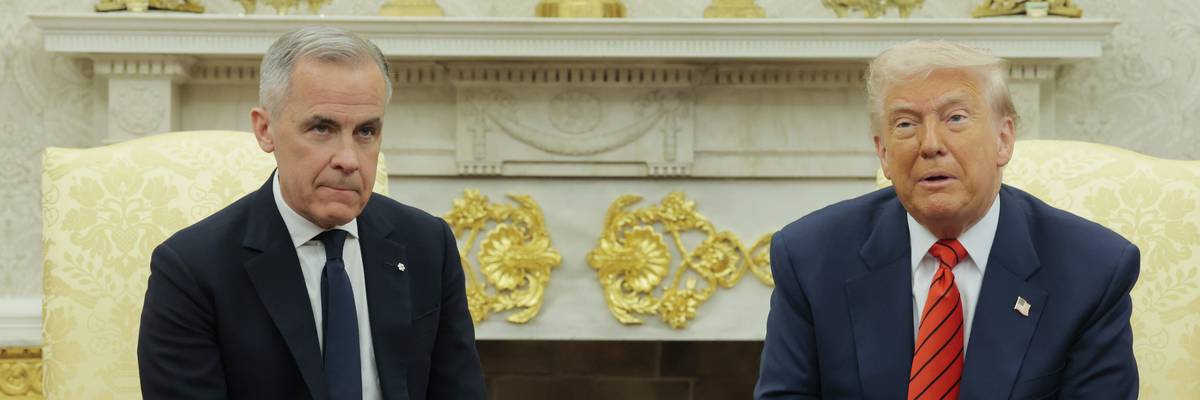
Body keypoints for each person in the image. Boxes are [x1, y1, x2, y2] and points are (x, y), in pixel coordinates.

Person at [755, 41, 1139, 399]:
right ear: (883, 153)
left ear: (1003, 140)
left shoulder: (1092, 270)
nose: (930, 144)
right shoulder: (810, 258)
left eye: (955, 118)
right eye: (905, 124)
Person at [137, 26, 486, 399]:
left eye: (366, 131)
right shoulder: (192, 270)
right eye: (322, 128)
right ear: (265, 130)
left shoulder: (427, 245)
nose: (349, 159)